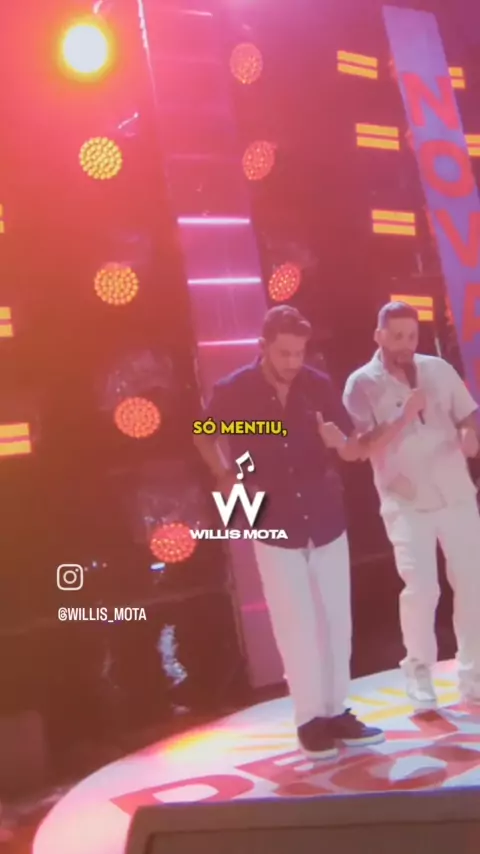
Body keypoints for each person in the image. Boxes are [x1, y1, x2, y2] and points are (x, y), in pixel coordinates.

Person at [194, 305, 384, 759]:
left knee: (336, 620)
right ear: (263, 347)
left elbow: (354, 445)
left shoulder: (317, 384)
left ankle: (337, 711)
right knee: (294, 623)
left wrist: (344, 442)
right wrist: (224, 474)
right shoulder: (234, 390)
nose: (293, 361)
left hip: (325, 513)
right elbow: (203, 432)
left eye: (299, 352)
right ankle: (309, 720)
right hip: (272, 517)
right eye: (284, 353)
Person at [343, 301, 480, 709]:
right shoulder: (361, 384)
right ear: (379, 336)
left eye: (412, 336)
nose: (406, 344)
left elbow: (469, 414)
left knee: (472, 583)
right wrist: (405, 415)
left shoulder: (438, 369)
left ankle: (473, 672)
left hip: (455, 491)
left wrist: (469, 434)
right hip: (405, 500)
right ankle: (419, 672)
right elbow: (362, 446)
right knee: (422, 588)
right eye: (397, 336)